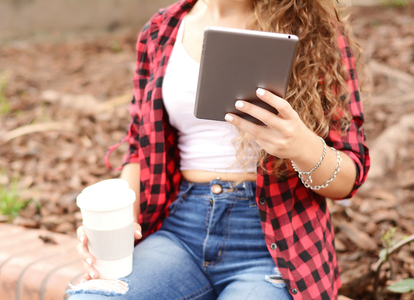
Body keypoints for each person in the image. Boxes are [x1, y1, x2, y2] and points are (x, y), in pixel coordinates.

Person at [70, 0, 370, 299]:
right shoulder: (161, 29)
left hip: (274, 243)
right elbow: (140, 146)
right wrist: (115, 227)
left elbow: (349, 178)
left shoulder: (314, 28)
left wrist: (301, 146)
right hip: (180, 231)